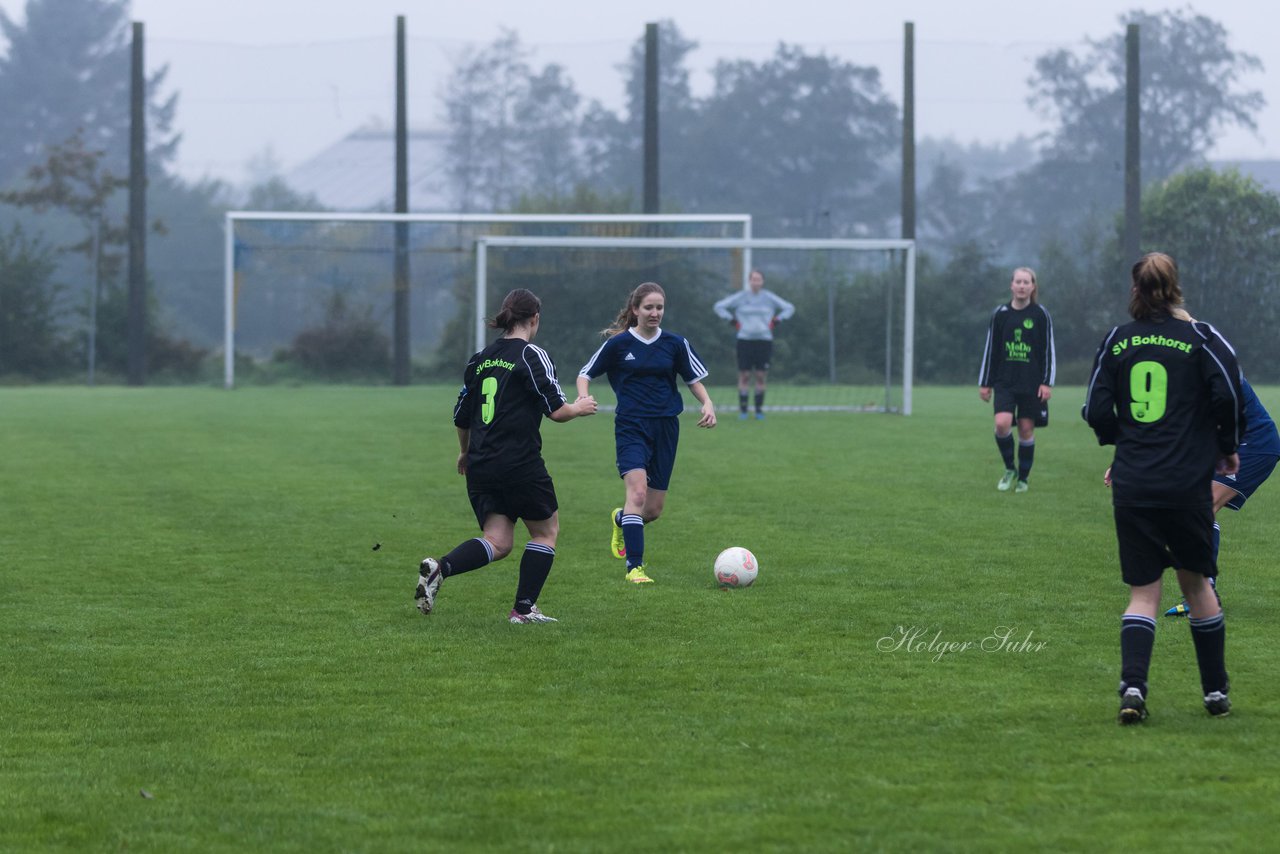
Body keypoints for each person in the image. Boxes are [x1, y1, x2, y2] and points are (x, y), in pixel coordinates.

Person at [1082, 252, 1245, 724]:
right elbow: (1229, 393)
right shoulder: (1201, 337)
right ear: (1175, 288)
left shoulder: (1117, 341)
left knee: (1143, 593)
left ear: (1135, 289)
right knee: (1195, 584)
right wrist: (1226, 447)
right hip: (1186, 483)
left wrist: (1124, 439)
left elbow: (1095, 410)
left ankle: (1133, 686)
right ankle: (1215, 692)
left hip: (1134, 483)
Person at [414, 288, 597, 624]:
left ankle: (442, 568)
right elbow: (557, 411)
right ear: (534, 318)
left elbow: (461, 416)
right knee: (545, 532)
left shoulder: (480, 358)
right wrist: (580, 408)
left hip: (481, 464)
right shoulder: (532, 355)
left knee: (498, 540)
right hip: (519, 463)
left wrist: (465, 452)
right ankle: (524, 610)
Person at [577, 282, 717, 583]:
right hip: (631, 425)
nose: (655, 313)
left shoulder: (676, 344)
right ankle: (635, 568)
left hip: (666, 426)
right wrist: (583, 397)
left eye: (660, 307)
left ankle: (621, 519)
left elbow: (693, 379)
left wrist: (707, 403)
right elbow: (585, 373)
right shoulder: (618, 344)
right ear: (635, 310)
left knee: (652, 510)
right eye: (649, 307)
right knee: (637, 493)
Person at [1157, 309, 1279, 617]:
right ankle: (1203, 590)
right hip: (1228, 445)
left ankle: (1204, 593)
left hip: (1253, 445)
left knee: (1200, 507)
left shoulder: (1212, 360)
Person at [978, 267, 1056, 493]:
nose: (1022, 286)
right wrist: (985, 382)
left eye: (1026, 282)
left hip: (1031, 383)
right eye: (1018, 282)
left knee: (1025, 429)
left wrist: (1046, 382)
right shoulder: (1000, 314)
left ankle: (1023, 478)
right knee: (1002, 424)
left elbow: (1048, 351)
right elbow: (991, 350)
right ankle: (1009, 468)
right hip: (1005, 381)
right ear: (1011, 285)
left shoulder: (1041, 314)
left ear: (1033, 287)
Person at [713, 269, 795, 420]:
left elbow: (789, 308)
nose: (756, 282)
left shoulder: (769, 297)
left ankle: (758, 410)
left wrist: (777, 320)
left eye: (759, 279)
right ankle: (743, 411)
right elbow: (719, 306)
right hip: (744, 340)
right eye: (753, 279)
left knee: (760, 375)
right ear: (749, 281)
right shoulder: (741, 297)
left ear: (762, 282)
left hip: (764, 340)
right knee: (744, 375)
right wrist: (732, 320)